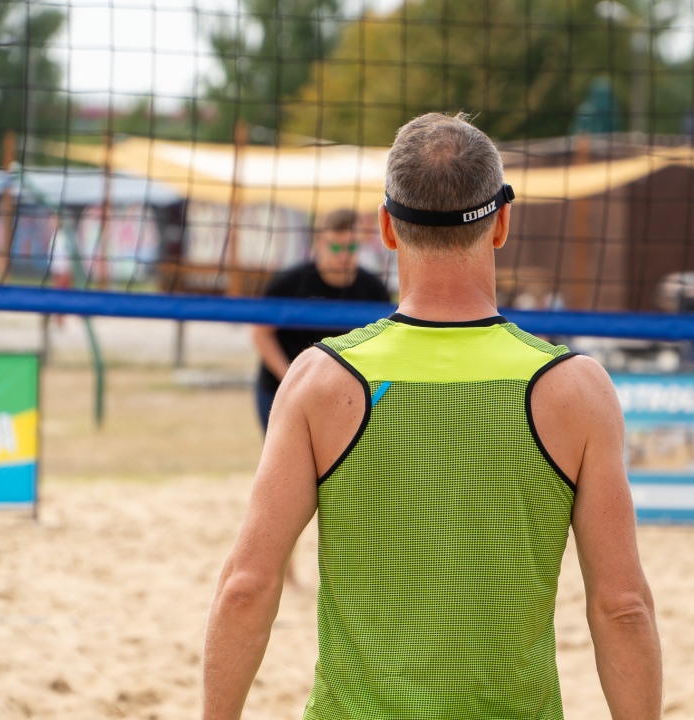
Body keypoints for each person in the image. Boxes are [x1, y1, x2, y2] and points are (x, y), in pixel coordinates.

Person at [203, 113, 662, 720]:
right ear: (502, 223)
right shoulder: (575, 388)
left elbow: (246, 588)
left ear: (386, 228)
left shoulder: (320, 380)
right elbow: (622, 606)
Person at [251, 208, 391, 433]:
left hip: (343, 395)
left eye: (351, 247)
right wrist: (290, 378)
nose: (343, 255)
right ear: (319, 243)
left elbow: (383, 343)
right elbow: (261, 334)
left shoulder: (373, 290)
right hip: (281, 388)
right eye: (336, 247)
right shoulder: (289, 283)